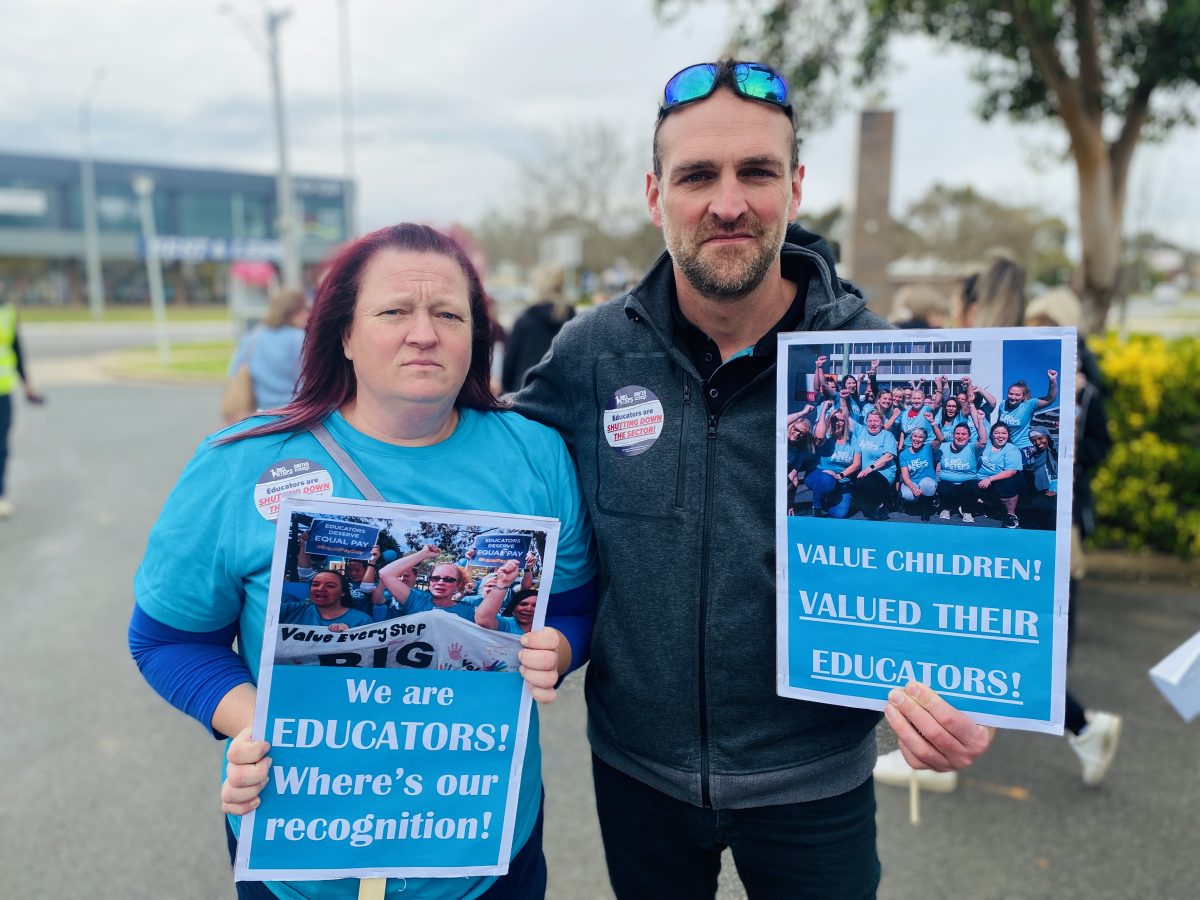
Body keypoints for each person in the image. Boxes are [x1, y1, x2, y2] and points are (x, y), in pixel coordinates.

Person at [513, 59, 991, 898]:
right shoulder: (590, 356)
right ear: (656, 196)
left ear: (795, 188)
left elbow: (961, 555)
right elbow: (480, 465)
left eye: (756, 172)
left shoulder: (883, 361)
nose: (727, 202)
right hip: (637, 773)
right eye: (697, 175)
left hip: (815, 779)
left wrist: (958, 693)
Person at [129, 223, 598, 899]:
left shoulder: (536, 456)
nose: (424, 333)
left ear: (477, 335)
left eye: (448, 314)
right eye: (394, 312)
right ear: (343, 335)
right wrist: (254, 720)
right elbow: (167, 640)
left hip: (486, 850)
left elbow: (576, 603)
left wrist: (559, 646)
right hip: (303, 857)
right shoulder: (238, 466)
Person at [226, 287, 309, 419]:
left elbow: (233, 371)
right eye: (305, 309)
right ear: (293, 312)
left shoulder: (253, 337)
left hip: (261, 414)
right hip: (294, 413)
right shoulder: (299, 339)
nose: (308, 314)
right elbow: (309, 379)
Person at [0, 286, 44, 519]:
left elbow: (16, 349)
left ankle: (0, 494)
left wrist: (27, 383)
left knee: (1, 445)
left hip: (3, 390)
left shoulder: (7, 312)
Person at [501, 262, 575, 394]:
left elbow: (508, 369)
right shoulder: (574, 320)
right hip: (563, 399)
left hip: (525, 398)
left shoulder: (525, 321)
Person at [279, 570, 372, 631]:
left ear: (343, 592)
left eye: (330, 586)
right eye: (315, 584)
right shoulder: (290, 610)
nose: (320, 589)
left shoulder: (362, 621)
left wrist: (350, 638)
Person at [976, 421, 1024, 528]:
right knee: (966, 488)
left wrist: (990, 479)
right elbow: (978, 425)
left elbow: (1011, 471)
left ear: (1008, 435)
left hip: (998, 481)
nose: (1001, 436)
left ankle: (1011, 514)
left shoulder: (1011, 449)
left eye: (1004, 433)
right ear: (992, 435)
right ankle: (994, 505)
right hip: (980, 481)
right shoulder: (985, 444)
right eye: (997, 433)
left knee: (1007, 484)